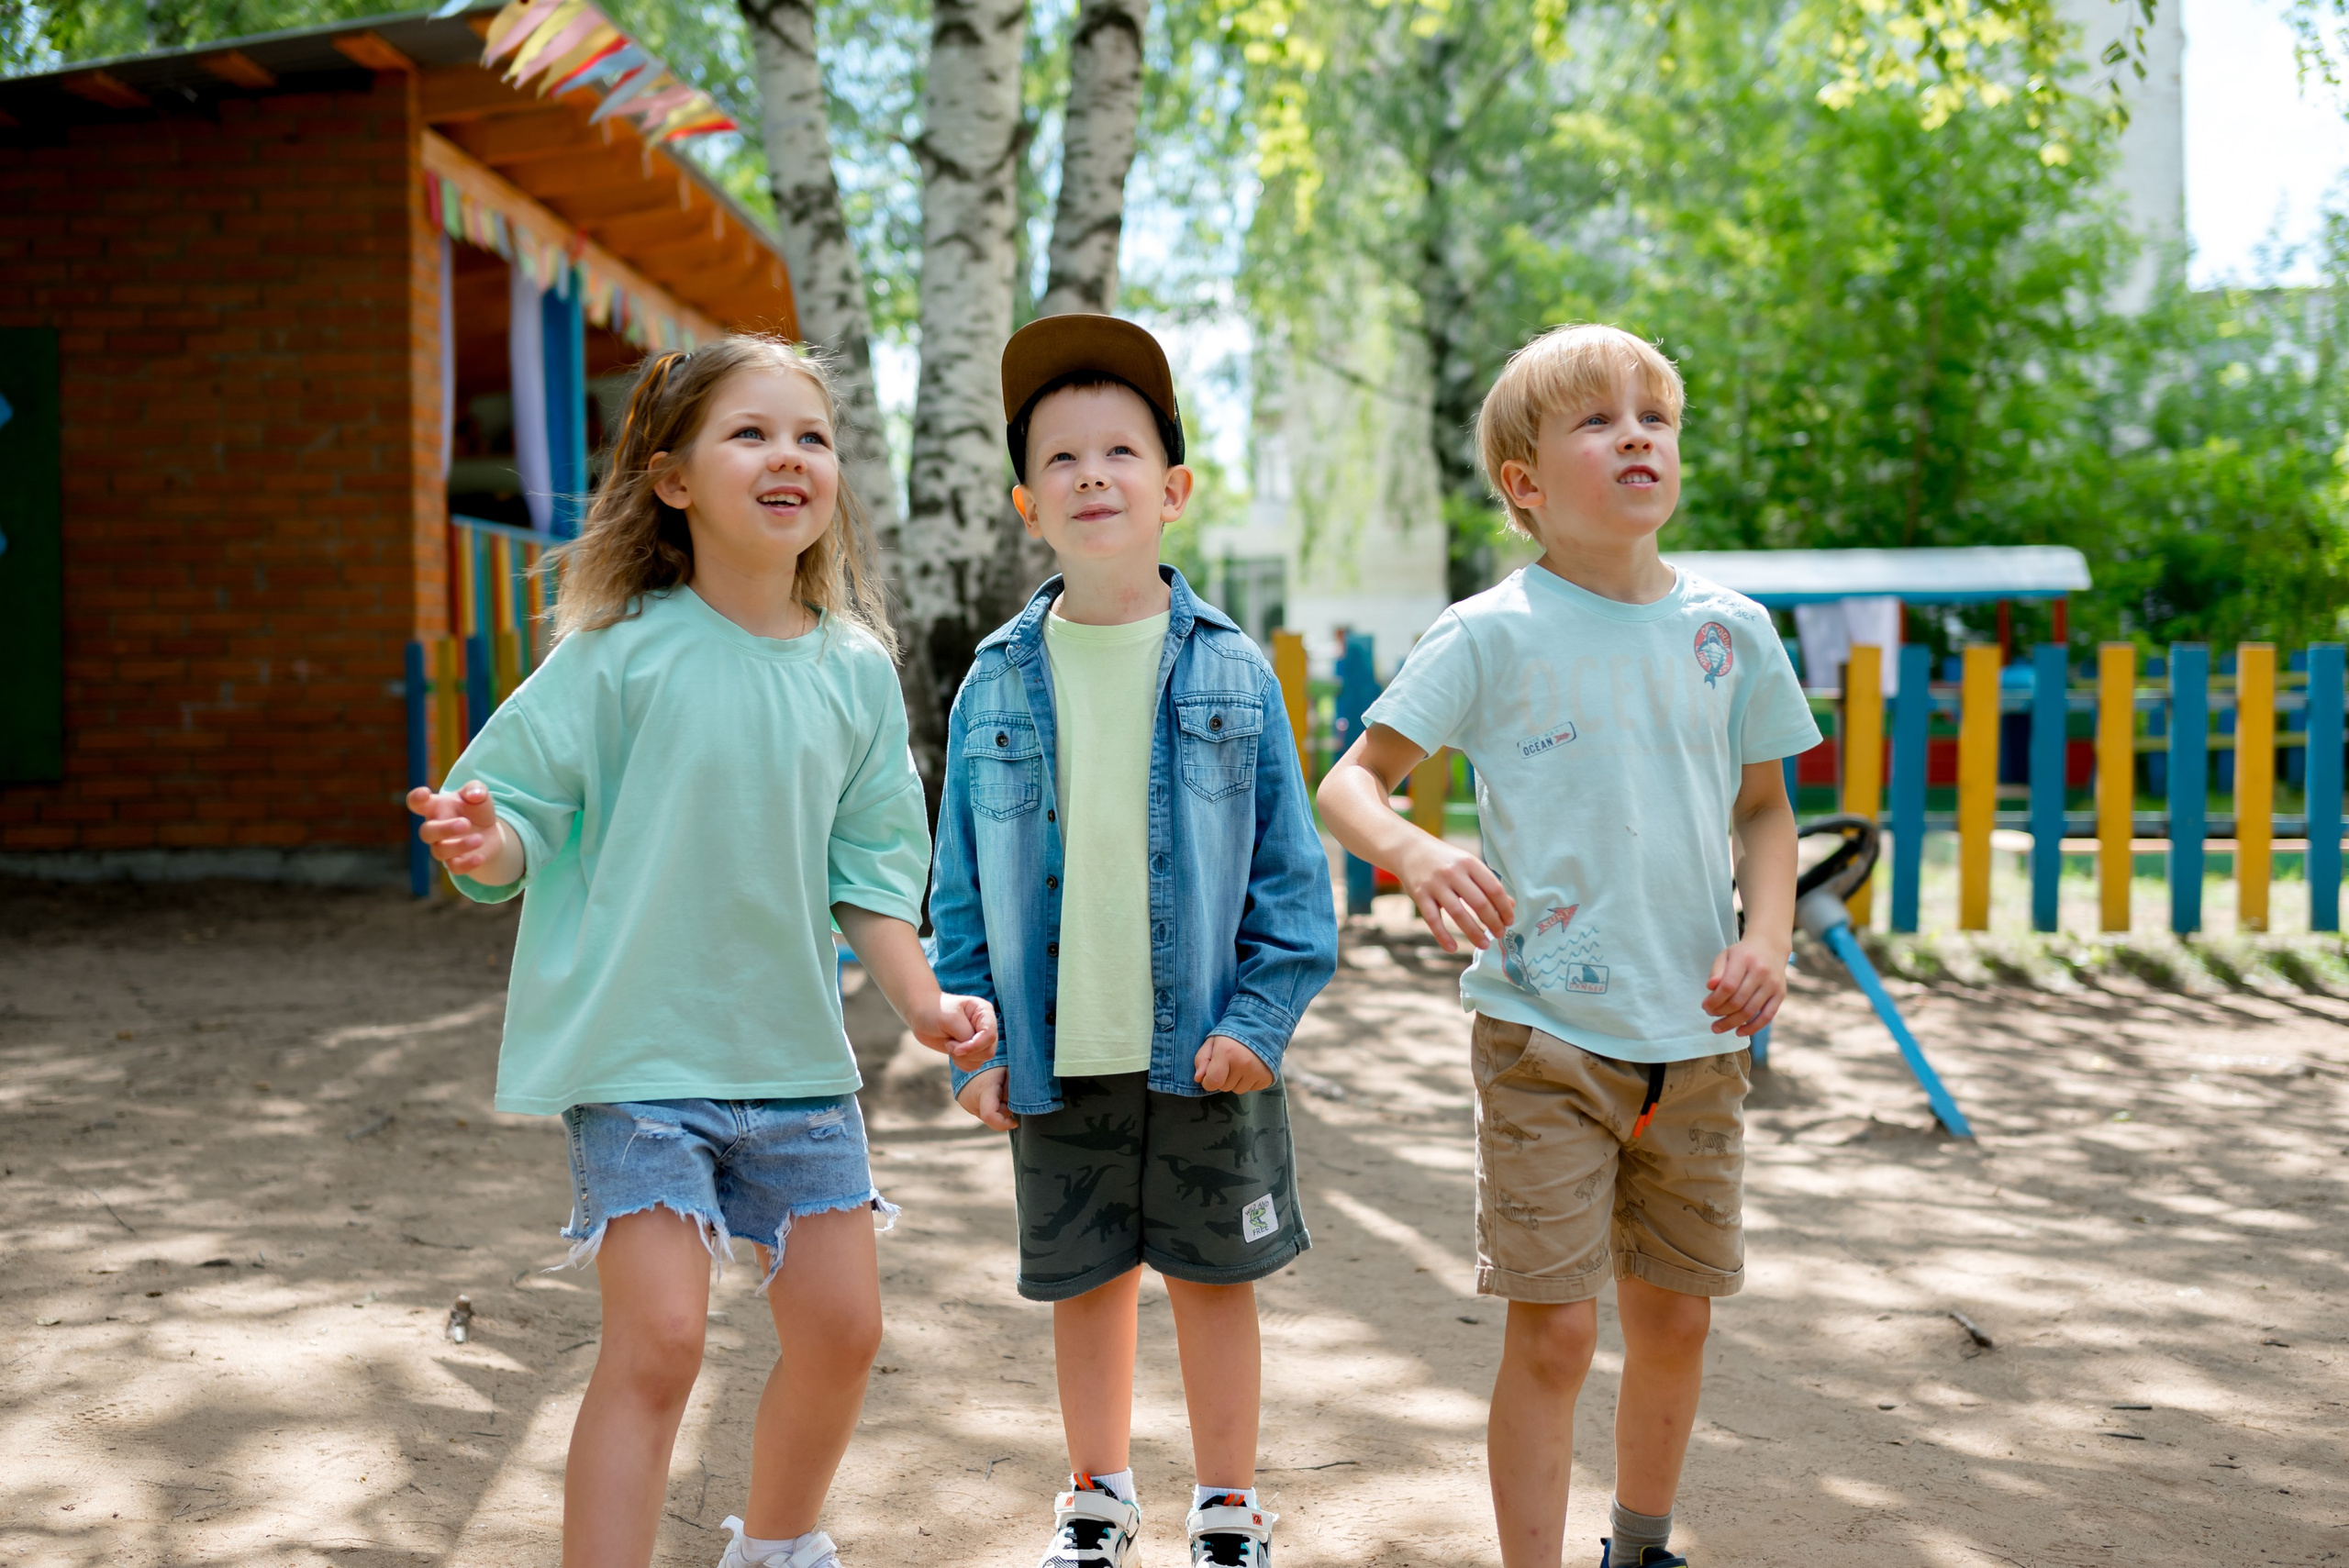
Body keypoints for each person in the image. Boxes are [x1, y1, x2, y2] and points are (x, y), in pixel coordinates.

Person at [406, 337, 997, 1568]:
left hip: (795, 1061)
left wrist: (927, 1001)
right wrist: (483, 840)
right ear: (673, 480)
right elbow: (510, 822)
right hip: (640, 1058)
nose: (790, 454)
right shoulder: (617, 655)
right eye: (752, 432)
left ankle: (774, 1547)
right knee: (661, 1340)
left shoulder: (853, 669)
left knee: (841, 1330)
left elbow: (874, 879)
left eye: (813, 436)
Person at [1315, 324, 1818, 1568]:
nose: (1637, 433)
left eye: (1656, 415)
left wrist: (1770, 940)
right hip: (1545, 1035)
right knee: (1553, 1334)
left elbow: (1764, 809)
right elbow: (1351, 785)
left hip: (1699, 1037)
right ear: (1526, 483)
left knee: (1679, 1319)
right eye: (1597, 420)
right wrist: (1422, 855)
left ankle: (1640, 1548)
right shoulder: (1492, 632)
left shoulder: (1734, 630)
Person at [927, 314, 1338, 1568]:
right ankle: (1098, 1497)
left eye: (1119, 452)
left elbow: (1291, 879)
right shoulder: (992, 681)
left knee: (1217, 1281)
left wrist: (1259, 1023)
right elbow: (955, 899)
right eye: (1061, 459)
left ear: (1173, 491)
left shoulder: (1233, 673)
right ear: (1024, 504)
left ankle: (1226, 1506)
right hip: (1057, 1050)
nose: (1091, 474)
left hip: (1210, 1043)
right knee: (1085, 1285)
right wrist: (973, 1041)